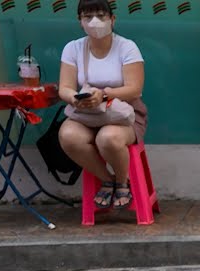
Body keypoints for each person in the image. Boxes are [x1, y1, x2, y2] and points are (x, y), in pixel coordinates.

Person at [57, 0, 147, 210]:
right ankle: (108, 180)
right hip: (87, 114)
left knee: (107, 138)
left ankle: (123, 182)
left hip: (123, 115)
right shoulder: (73, 48)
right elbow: (65, 88)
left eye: (100, 15)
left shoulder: (127, 47)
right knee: (68, 136)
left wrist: (104, 95)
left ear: (112, 19)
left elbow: (134, 89)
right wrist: (76, 98)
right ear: (80, 21)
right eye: (88, 17)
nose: (94, 21)